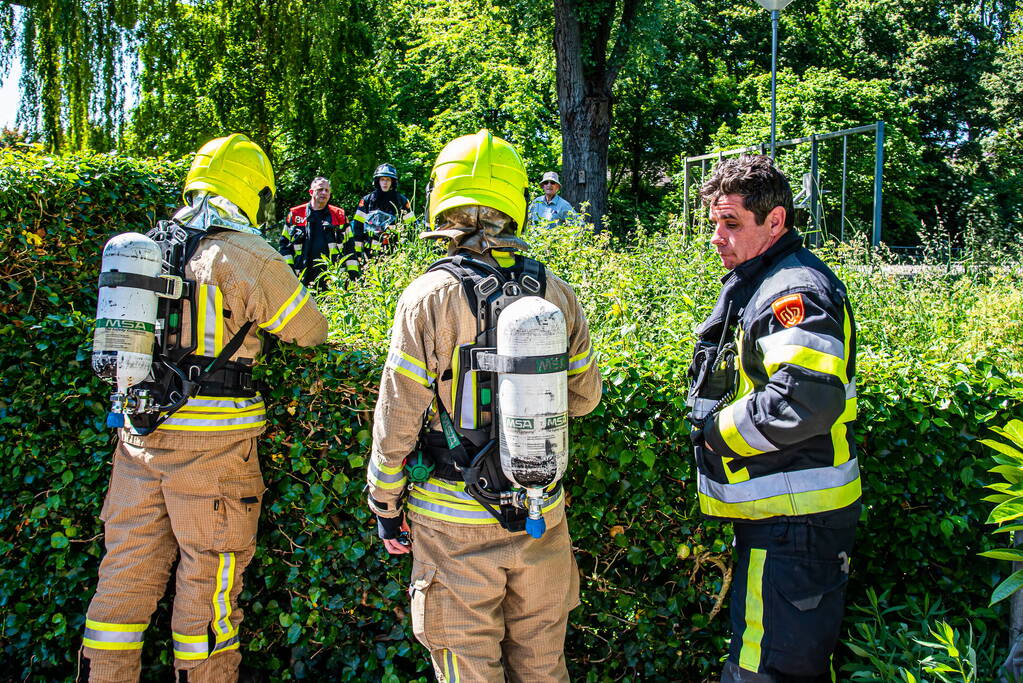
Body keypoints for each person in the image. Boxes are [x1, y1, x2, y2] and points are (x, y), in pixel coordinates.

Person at [81, 134, 328, 682]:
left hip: (139, 440)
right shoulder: (244, 254)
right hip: (214, 451)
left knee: (121, 583)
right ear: (252, 193)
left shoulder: (148, 245)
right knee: (207, 597)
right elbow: (311, 330)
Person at [366, 130, 601, 682]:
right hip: (540, 513)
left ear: (441, 201)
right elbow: (586, 398)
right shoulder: (556, 291)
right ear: (517, 203)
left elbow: (398, 413)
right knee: (544, 668)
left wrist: (384, 502)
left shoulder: (429, 297)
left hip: (453, 525)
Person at [685, 155, 861, 683]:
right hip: (788, 526)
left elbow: (802, 401)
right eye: (713, 222)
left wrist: (716, 436)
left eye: (732, 223)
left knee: (765, 673)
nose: (717, 236)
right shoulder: (767, 279)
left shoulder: (792, 290)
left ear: (775, 221)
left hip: (794, 527)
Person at [279, 176, 358, 285]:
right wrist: (289, 271)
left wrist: (354, 276)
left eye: (327, 190)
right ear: (311, 192)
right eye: (320, 189)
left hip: (333, 276)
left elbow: (349, 247)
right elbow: (284, 247)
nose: (324, 193)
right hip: (301, 275)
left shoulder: (339, 216)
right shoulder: (296, 214)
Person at [352, 163, 415, 258]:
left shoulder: (401, 200)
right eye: (382, 179)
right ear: (377, 181)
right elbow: (358, 226)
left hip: (394, 250)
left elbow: (412, 226)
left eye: (388, 180)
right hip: (370, 252)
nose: (385, 183)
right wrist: (358, 254)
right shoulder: (367, 200)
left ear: (392, 182)